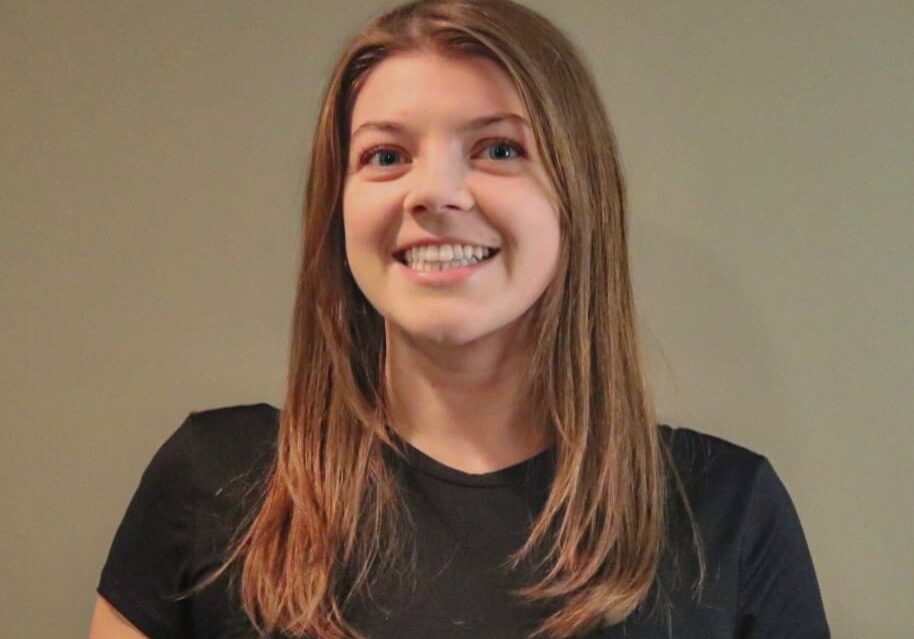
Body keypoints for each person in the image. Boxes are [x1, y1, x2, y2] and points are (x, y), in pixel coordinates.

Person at [88, 1, 830, 638]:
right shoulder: (212, 485)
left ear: (578, 197)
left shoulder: (726, 513)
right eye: (386, 155)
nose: (433, 192)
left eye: (498, 149)